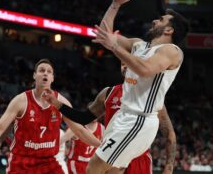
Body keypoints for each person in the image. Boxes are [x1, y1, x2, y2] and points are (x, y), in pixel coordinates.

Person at [87, 0, 188, 173]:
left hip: (139, 119)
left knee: (94, 168)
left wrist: (114, 47)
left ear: (169, 30)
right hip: (124, 116)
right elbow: (105, 35)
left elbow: (145, 69)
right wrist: (114, 5)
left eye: (161, 20)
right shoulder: (139, 45)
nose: (155, 21)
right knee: (112, 171)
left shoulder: (172, 51)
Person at [0, 59, 101, 174]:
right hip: (22, 163)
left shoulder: (61, 102)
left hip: (49, 162)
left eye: (49, 71)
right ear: (34, 75)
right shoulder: (21, 101)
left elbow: (80, 130)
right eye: (41, 70)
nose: (45, 73)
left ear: (53, 78)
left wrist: (102, 145)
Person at [44, 63, 177, 174]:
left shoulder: (152, 97)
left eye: (129, 62)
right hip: (111, 154)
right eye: (122, 63)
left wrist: (169, 166)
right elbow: (83, 118)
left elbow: (169, 132)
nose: (125, 65)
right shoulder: (108, 93)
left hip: (138, 157)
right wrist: (58, 104)